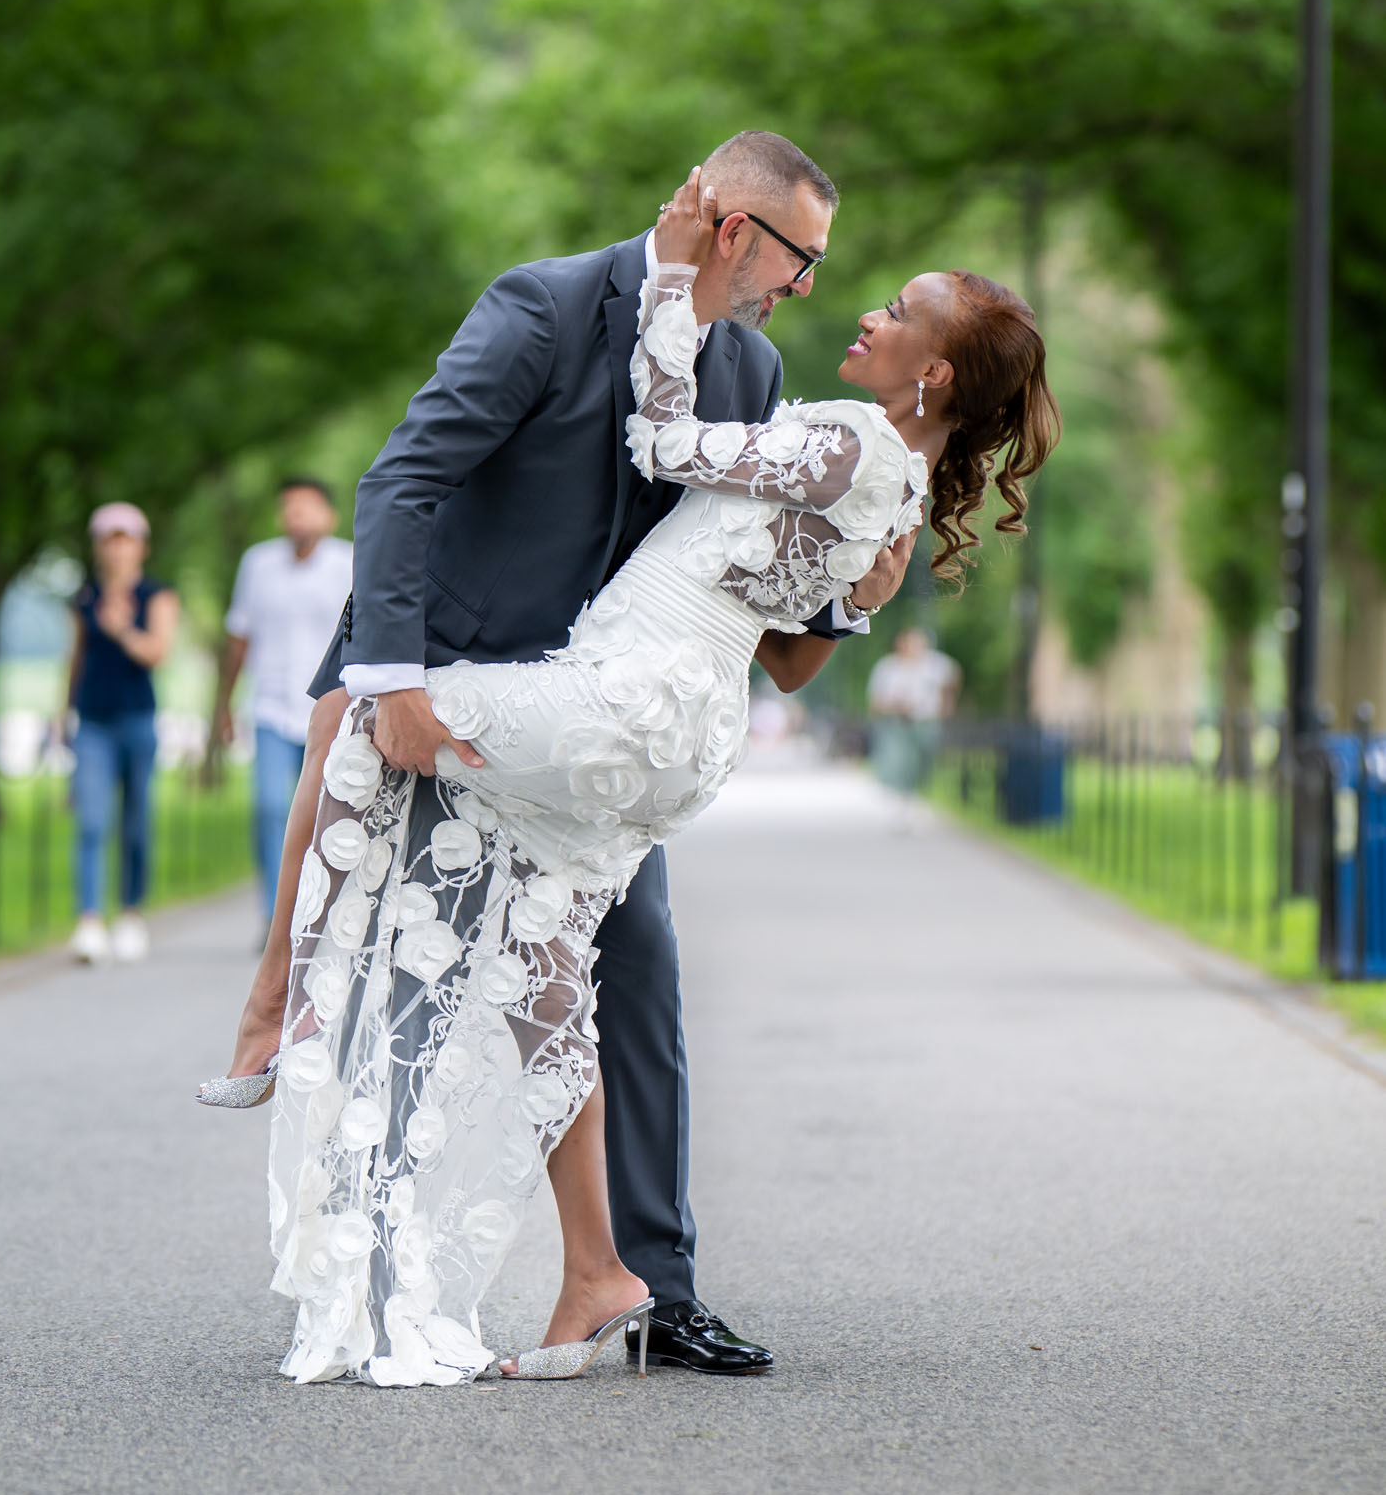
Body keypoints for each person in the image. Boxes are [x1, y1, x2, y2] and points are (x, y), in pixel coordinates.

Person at [207, 148, 1057, 1383]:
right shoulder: (542, 306)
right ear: (729, 231)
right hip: (501, 671)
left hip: (606, 720)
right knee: (504, 956)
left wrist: (851, 601)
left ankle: (652, 1283)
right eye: (799, 257)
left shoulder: (761, 375)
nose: (813, 290)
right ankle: (328, 1076)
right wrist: (391, 669)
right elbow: (404, 479)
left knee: (632, 982)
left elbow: (776, 631)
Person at [216, 480, 354, 931]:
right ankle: (275, 915)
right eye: (290, 509)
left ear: (328, 517)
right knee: (270, 807)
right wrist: (223, 704)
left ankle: (323, 911)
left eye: (307, 509)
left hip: (332, 709)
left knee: (327, 810)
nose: (298, 518)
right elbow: (239, 637)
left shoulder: (348, 561)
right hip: (273, 707)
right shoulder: (258, 564)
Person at [64, 502, 179, 967]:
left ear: (141, 546)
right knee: (92, 820)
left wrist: (122, 630)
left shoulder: (157, 595)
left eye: (125, 539)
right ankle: (89, 919)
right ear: (98, 547)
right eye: (109, 540)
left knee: (135, 821)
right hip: (93, 721)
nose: (118, 549)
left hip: (137, 720)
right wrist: (63, 712)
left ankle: (131, 914)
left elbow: (157, 651)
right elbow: (75, 657)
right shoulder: (84, 597)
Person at [867, 623, 963, 796]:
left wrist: (948, 704)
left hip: (927, 721)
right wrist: (895, 707)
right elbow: (876, 700)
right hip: (899, 723)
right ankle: (903, 795)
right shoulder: (888, 667)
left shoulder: (936, 663)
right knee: (900, 762)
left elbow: (953, 677)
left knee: (926, 759)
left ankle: (922, 791)